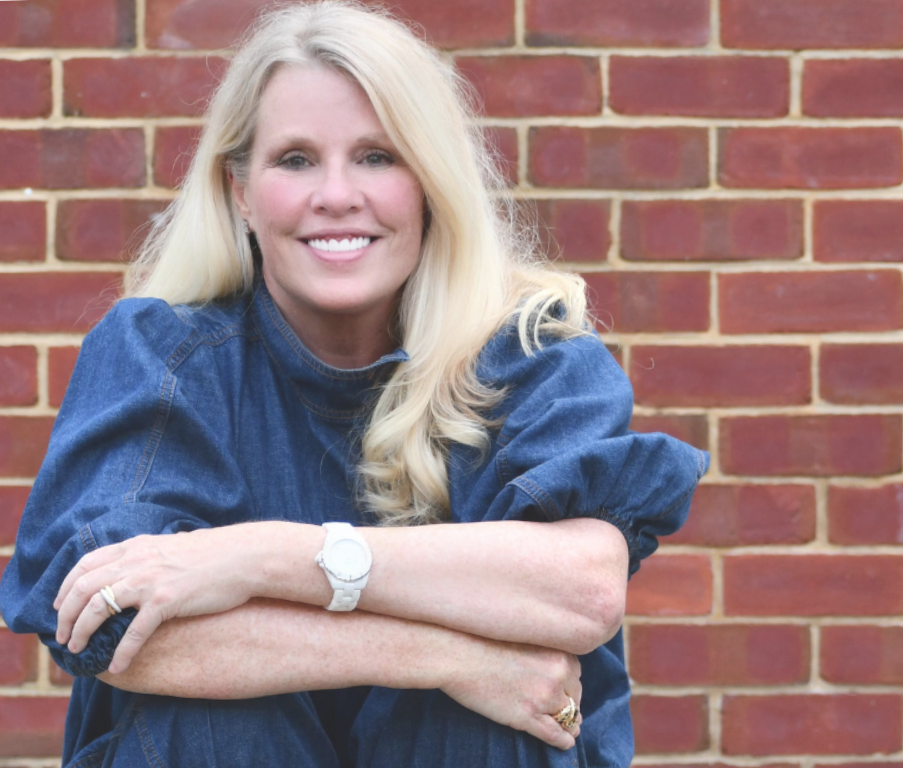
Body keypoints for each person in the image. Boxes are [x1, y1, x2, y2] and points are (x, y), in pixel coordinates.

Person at [0, 3, 708, 766]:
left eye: (377, 156)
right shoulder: (161, 360)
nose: (336, 195)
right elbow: (112, 628)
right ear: (240, 190)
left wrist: (256, 559)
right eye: (295, 159)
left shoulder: (533, 358)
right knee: (212, 723)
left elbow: (581, 592)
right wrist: (453, 660)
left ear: (431, 181)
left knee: (482, 724)